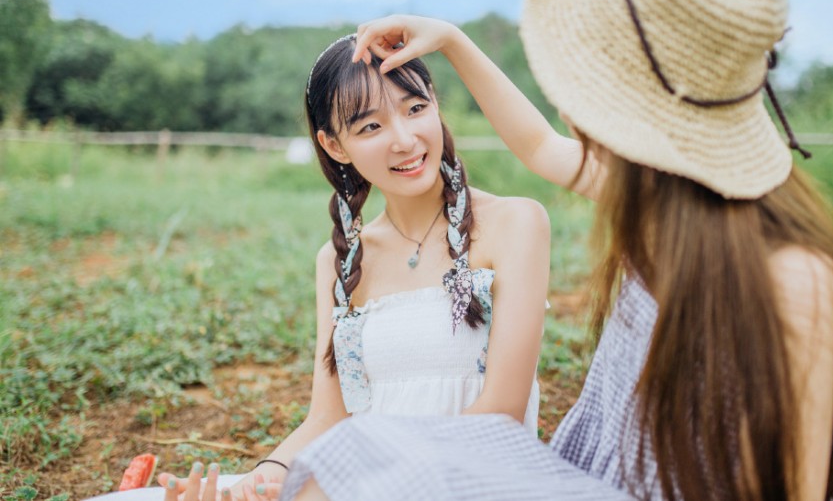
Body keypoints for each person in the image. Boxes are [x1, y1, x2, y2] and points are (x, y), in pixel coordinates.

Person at [280, 0, 833, 500]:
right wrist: (453, 41)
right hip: (593, 478)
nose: (567, 107)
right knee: (344, 461)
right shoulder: (661, 202)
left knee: (359, 462)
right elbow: (537, 145)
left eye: (581, 84)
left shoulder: (794, 276)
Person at [92, 34, 549, 501]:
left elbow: (502, 415)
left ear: (435, 105)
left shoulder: (514, 223)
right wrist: (259, 480)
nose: (405, 139)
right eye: (371, 127)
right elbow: (329, 418)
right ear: (334, 145)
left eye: (415, 109)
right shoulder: (339, 262)